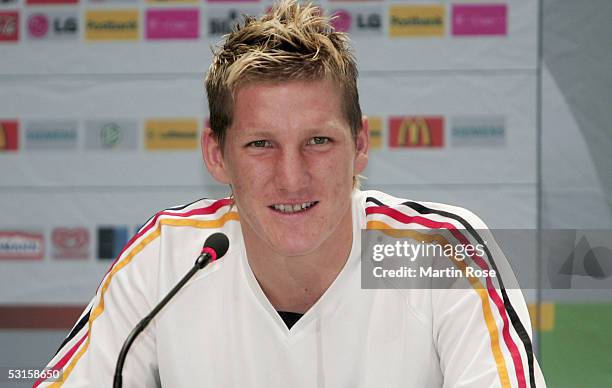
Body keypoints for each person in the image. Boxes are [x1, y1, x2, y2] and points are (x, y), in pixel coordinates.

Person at [36, 1, 546, 387]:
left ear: (361, 144)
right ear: (216, 154)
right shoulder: (166, 257)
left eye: (318, 141)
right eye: (260, 145)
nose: (292, 178)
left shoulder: (444, 253)